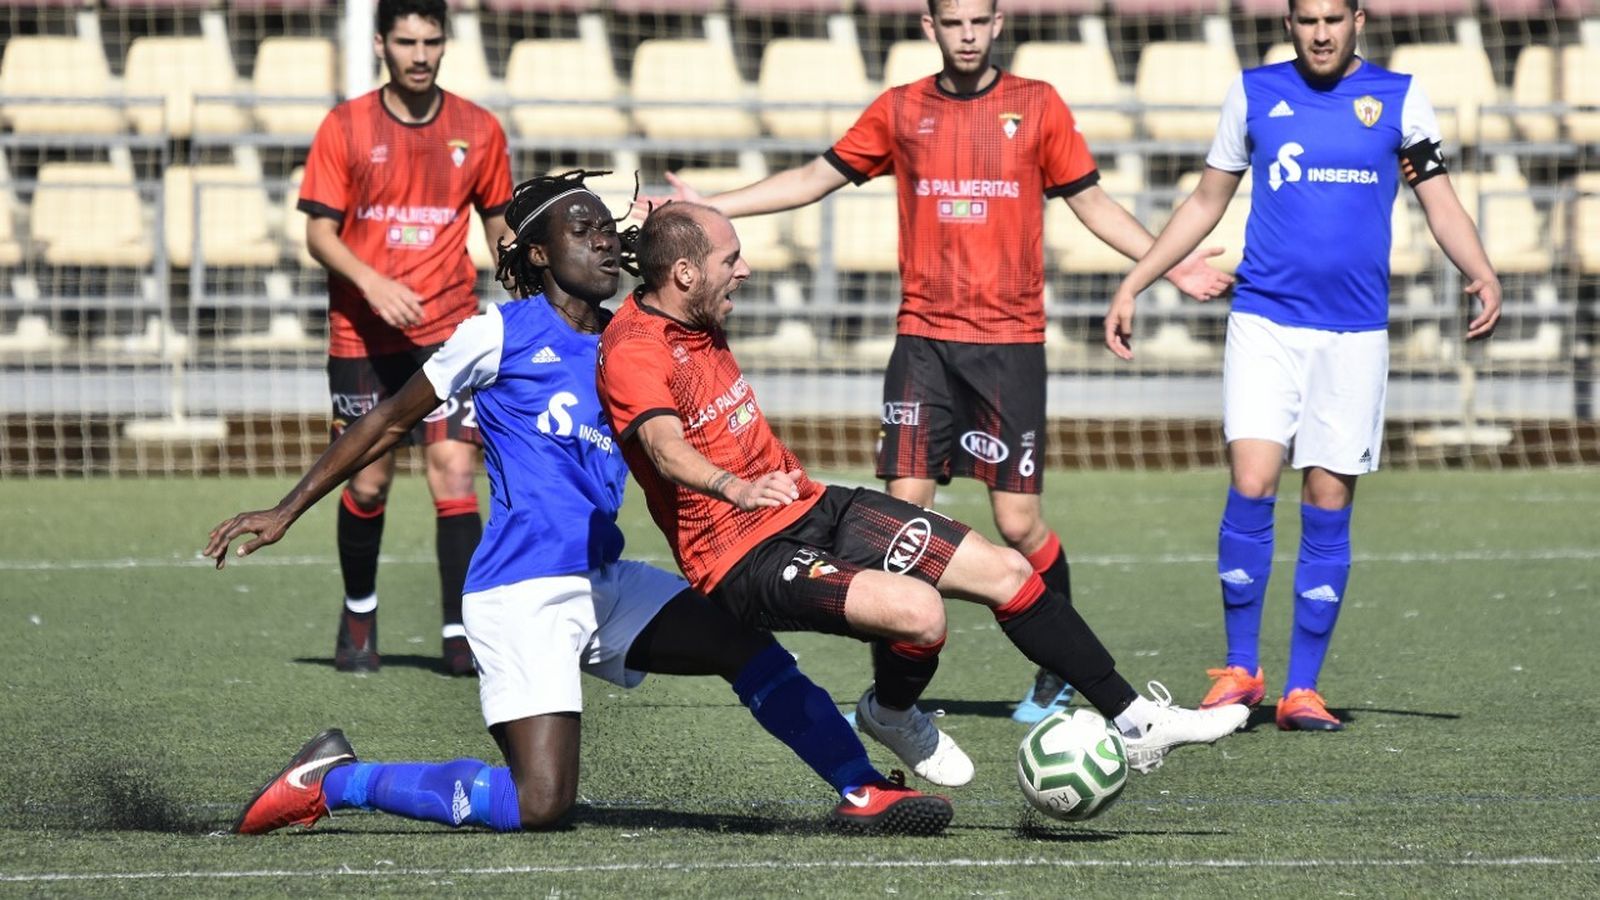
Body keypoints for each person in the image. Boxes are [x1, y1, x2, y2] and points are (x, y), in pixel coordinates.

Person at [205, 173, 953, 837]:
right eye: (582, 229)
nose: (603, 240)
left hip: (602, 581)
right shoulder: (497, 334)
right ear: (537, 253)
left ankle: (864, 789)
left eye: (606, 227)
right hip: (522, 590)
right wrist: (286, 507)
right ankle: (335, 781)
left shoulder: (635, 336)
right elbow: (391, 420)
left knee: (744, 644)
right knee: (540, 803)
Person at [652, 0, 1234, 724]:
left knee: (1018, 524)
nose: (966, 34)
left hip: (1010, 344)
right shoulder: (901, 109)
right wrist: (709, 208)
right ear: (930, 27)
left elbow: (1092, 203)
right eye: (952, 22)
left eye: (978, 21)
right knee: (900, 519)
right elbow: (813, 178)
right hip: (923, 341)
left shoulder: (1037, 105)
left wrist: (1168, 263)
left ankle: (1056, 672)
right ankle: (894, 704)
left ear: (998, 24)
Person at [596, 203, 1249, 787]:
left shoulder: (693, 306)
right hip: (740, 556)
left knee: (1008, 571)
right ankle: (894, 712)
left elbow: (680, 243)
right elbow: (664, 448)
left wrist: (667, 216)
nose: (744, 270)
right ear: (684, 273)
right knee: (921, 613)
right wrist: (733, 485)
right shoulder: (634, 349)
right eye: (730, 260)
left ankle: (1135, 722)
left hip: (807, 503)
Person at [1103, 0, 1501, 730]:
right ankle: (1240, 670)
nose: (1321, 32)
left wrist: (1480, 270)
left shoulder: (1400, 98)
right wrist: (1136, 281)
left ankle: (1302, 691)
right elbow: (1206, 201)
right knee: (1251, 481)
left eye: (1333, 19)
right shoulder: (1253, 92)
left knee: (1327, 498)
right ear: (1288, 23)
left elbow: (1439, 201)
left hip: (1354, 336)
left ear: (1358, 21)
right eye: (1307, 19)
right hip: (1264, 322)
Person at [298, 0, 514, 675]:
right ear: (380, 45)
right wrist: (373, 283)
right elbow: (318, 233)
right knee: (367, 482)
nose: (419, 55)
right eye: (405, 42)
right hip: (362, 334)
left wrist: (526, 286)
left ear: (444, 44)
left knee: (455, 472)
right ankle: (359, 612)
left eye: (431, 42)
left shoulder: (478, 128)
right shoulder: (346, 125)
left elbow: (499, 225)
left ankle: (461, 632)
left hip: (448, 329)